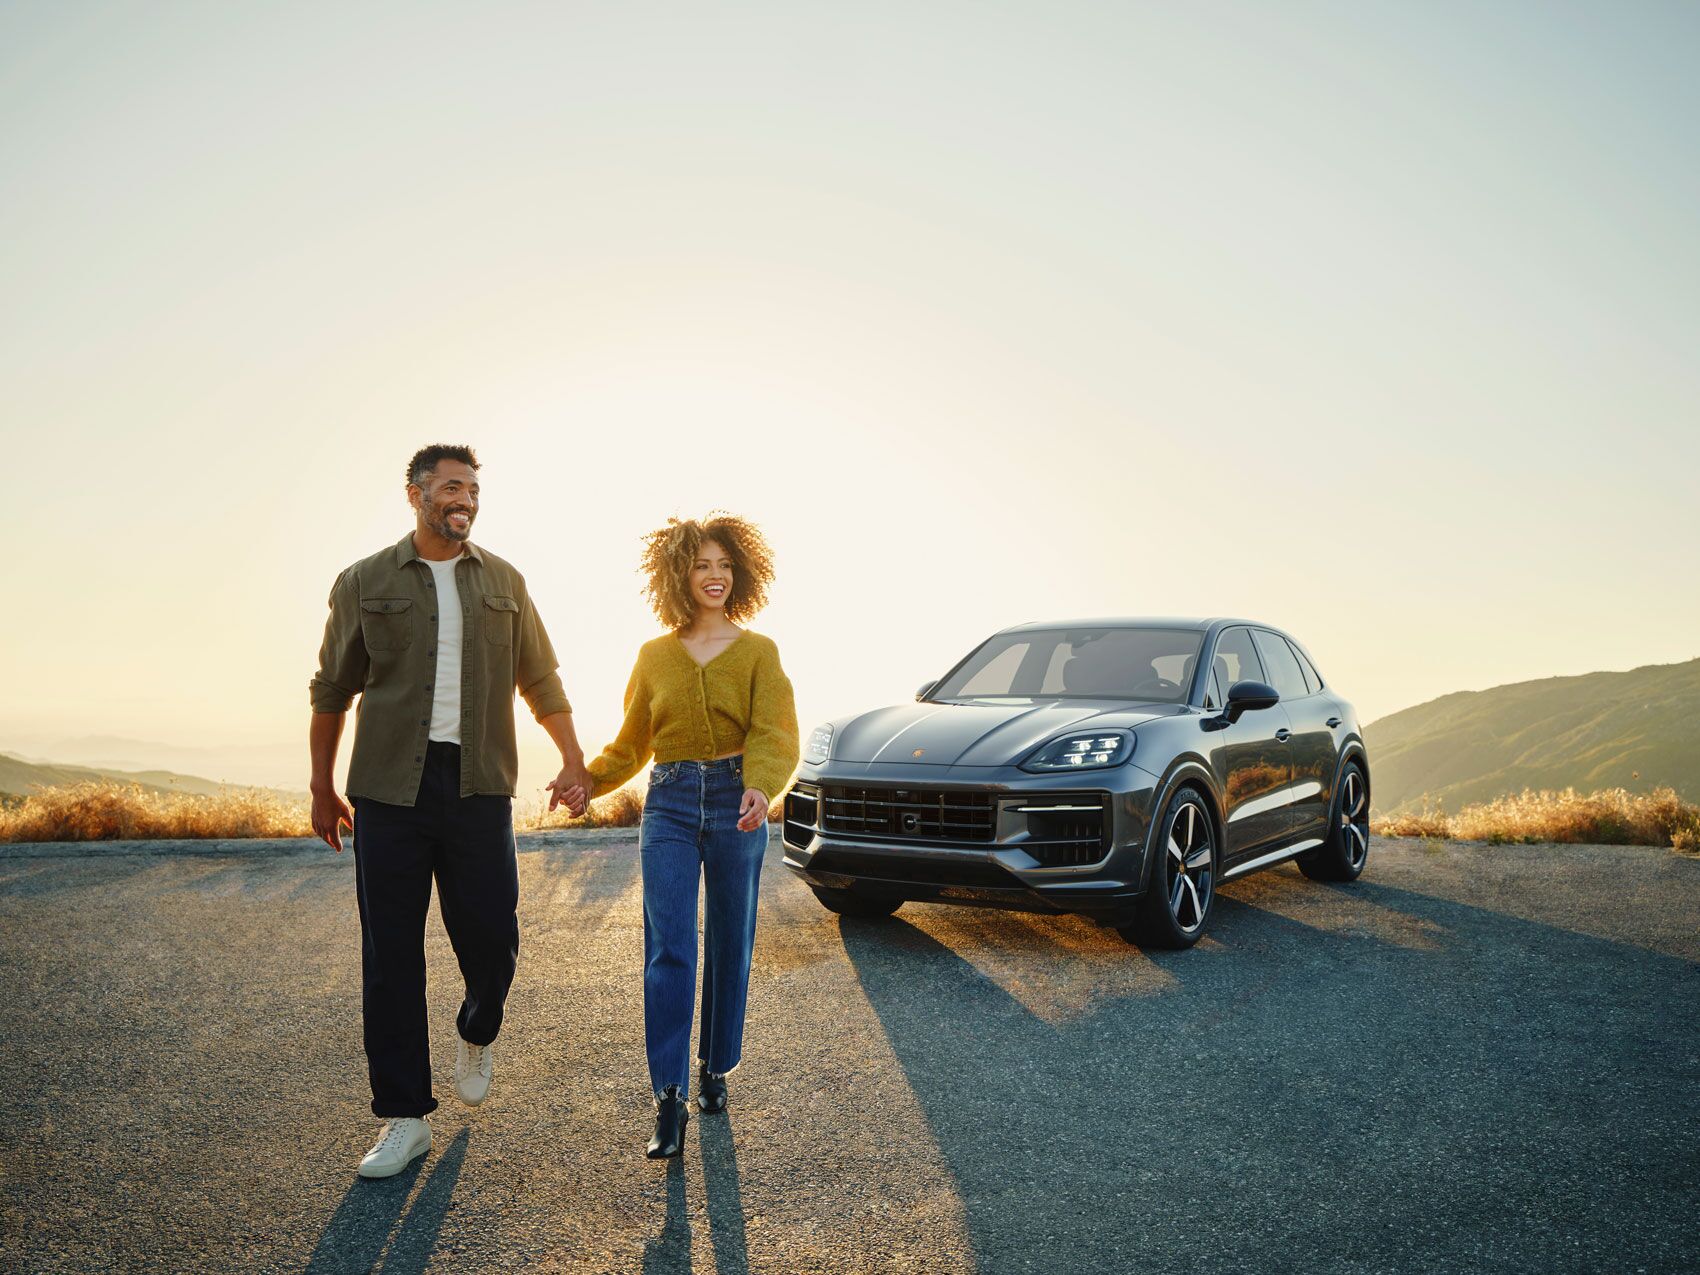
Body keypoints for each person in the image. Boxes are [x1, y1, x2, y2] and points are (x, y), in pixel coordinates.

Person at [309, 444, 592, 1179]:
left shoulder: (504, 580)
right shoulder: (365, 580)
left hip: (478, 785)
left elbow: (541, 677)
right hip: (386, 791)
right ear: (416, 494)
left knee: (494, 935)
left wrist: (572, 758)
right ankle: (405, 1116)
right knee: (390, 956)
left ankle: (478, 1023)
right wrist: (320, 785)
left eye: (471, 488)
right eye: (450, 487)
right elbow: (332, 688)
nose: (464, 498)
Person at [561, 515, 798, 1158]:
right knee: (669, 945)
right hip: (667, 802)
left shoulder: (759, 652)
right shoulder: (653, 657)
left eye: (724, 565)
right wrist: (588, 781)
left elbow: (776, 733)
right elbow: (631, 743)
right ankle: (668, 1096)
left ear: (739, 573)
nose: (715, 576)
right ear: (678, 575)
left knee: (730, 940)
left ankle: (716, 1066)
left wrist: (761, 786)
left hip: (737, 799)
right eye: (701, 566)